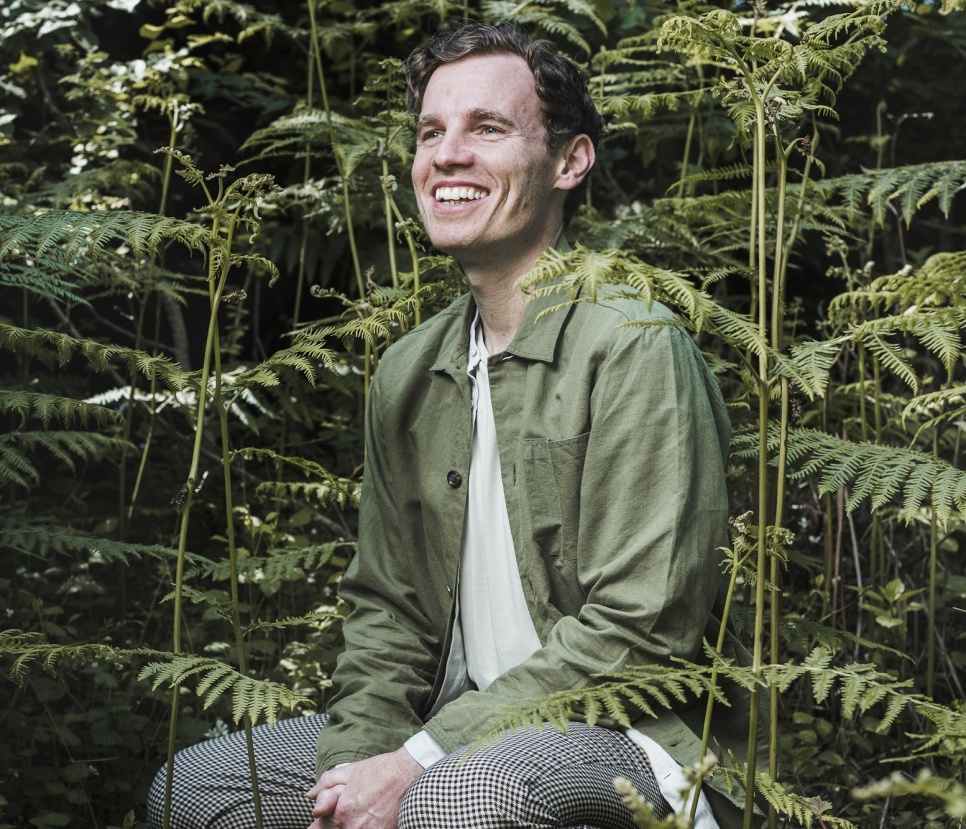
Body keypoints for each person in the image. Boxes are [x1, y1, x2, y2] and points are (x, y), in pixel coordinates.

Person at [148, 20, 755, 829]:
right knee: (197, 787)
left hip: (633, 737)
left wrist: (418, 762)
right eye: (432, 132)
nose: (448, 155)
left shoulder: (635, 343)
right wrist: (351, 774)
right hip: (451, 725)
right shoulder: (407, 370)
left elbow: (641, 634)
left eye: (488, 128)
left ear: (570, 160)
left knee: (455, 798)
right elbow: (389, 611)